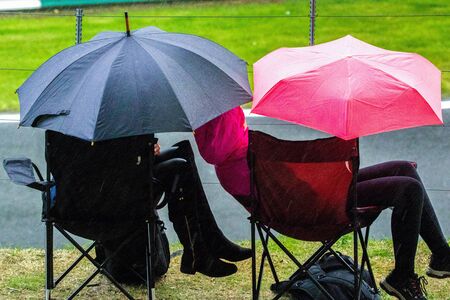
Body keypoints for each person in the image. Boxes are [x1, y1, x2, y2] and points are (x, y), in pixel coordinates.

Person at [194, 107, 450, 300]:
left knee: (403, 169)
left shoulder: (239, 155)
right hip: (318, 210)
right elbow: (287, 197)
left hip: (315, 198)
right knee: (408, 189)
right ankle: (402, 276)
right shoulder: (240, 159)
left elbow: (288, 186)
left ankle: (441, 256)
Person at [153, 140, 252, 278]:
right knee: (180, 167)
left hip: (136, 162)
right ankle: (194, 253)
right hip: (125, 181)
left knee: (183, 149)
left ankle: (214, 239)